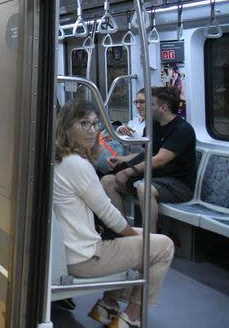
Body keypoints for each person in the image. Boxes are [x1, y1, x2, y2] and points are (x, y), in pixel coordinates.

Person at [53, 100, 174, 328]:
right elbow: (110, 216)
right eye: (84, 123)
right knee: (163, 246)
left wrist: (129, 236)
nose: (92, 130)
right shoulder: (77, 165)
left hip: (70, 249)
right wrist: (131, 236)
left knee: (137, 240)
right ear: (67, 128)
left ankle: (108, 305)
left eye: (95, 124)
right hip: (85, 257)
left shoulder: (60, 159)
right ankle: (132, 315)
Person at [102, 87, 196, 232]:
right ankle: (125, 231)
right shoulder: (153, 126)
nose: (144, 107)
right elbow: (147, 154)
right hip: (156, 177)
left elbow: (160, 159)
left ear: (163, 108)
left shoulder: (182, 129)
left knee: (144, 188)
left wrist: (128, 172)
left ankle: (150, 240)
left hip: (178, 184)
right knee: (108, 181)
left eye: (150, 104)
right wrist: (121, 159)